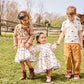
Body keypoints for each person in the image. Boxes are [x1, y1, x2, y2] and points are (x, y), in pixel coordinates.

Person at [56, 6, 83, 79]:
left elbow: (80, 33)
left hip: (76, 43)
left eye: (71, 16)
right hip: (67, 43)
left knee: (77, 59)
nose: (70, 18)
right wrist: (59, 41)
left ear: (74, 14)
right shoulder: (64, 23)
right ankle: (68, 71)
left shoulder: (78, 23)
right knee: (67, 57)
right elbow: (62, 33)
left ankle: (76, 73)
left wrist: (81, 43)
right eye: (68, 16)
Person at [13, 11, 37, 80]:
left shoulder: (29, 26)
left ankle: (31, 71)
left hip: (26, 46)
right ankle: (23, 73)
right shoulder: (17, 27)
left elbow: (32, 35)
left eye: (27, 19)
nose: (26, 21)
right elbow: (15, 36)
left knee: (26, 59)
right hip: (20, 46)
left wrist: (28, 43)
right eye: (24, 20)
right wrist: (15, 44)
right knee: (21, 60)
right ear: (20, 20)